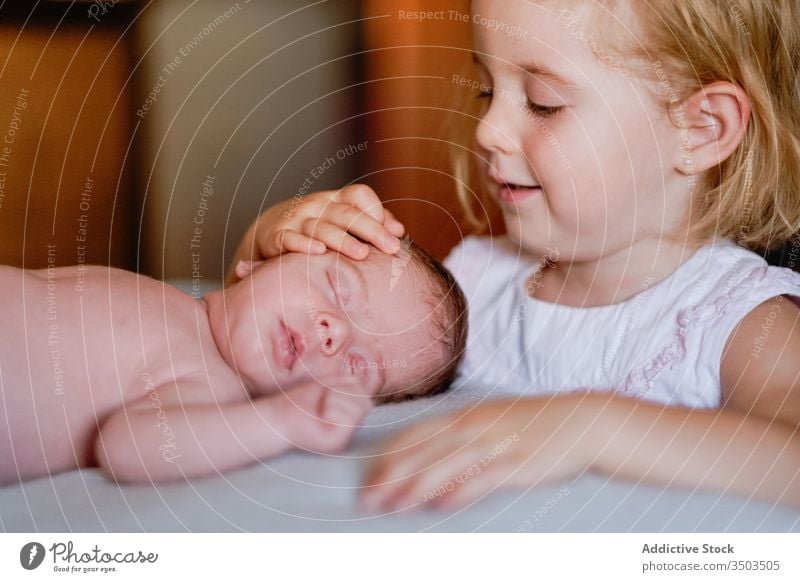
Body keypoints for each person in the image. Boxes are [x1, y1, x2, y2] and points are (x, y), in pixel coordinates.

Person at [233, 0, 800, 511]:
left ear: (700, 129)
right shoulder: (475, 282)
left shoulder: (736, 320)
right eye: (488, 91)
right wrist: (272, 239)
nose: (489, 129)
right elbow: (265, 355)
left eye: (543, 103)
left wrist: (591, 428)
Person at [0, 242, 467, 484]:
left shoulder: (210, 386)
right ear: (261, 262)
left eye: (358, 364)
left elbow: (127, 447)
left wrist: (282, 422)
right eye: (337, 289)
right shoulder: (168, 299)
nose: (334, 331)